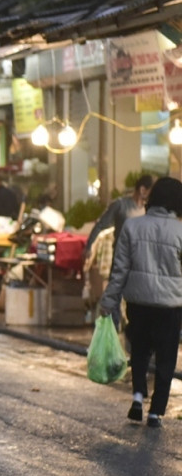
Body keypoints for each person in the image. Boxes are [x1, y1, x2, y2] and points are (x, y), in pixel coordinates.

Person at [99, 177, 182, 427]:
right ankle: (156, 412)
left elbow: (120, 269)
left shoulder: (132, 227)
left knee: (140, 351)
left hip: (139, 302)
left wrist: (109, 300)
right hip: (170, 305)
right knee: (166, 358)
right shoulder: (180, 231)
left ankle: (137, 397)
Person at [83, 174, 154, 259]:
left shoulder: (148, 210)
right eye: (151, 192)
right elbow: (100, 224)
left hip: (139, 258)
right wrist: (88, 247)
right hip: (121, 258)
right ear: (142, 190)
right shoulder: (120, 205)